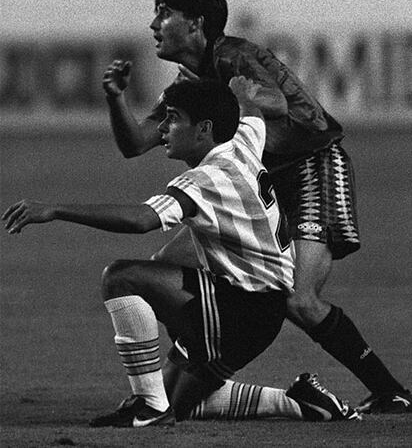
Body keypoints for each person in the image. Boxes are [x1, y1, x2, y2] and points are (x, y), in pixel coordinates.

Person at [102, 0, 412, 415]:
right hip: (254, 187)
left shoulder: (235, 57)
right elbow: (135, 142)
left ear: (196, 24)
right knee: (166, 270)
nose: (154, 24)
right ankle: (201, 362)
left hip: (311, 169)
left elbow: (279, 105)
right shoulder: (190, 80)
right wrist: (115, 99)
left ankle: (389, 391)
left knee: (298, 299)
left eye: (164, 12)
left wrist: (238, 96)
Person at [2, 78, 360, 427]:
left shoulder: (209, 178)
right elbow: (252, 113)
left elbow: (143, 219)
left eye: (173, 118)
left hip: (244, 309)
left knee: (121, 277)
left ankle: (147, 407)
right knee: (181, 404)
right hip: (258, 308)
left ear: (204, 129)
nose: (164, 129)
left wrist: (54, 210)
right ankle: (301, 403)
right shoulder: (244, 140)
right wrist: (238, 90)